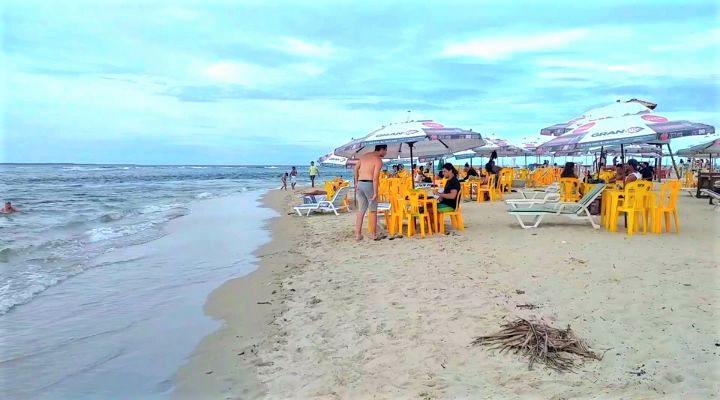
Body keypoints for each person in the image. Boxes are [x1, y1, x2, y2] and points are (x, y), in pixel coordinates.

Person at [354, 144, 388, 241]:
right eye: (385, 150)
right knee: (373, 210)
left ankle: (358, 235)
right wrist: (375, 192)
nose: (386, 153)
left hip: (360, 183)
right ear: (381, 150)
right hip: (369, 184)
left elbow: (355, 168)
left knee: (361, 210)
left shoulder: (364, 156)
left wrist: (356, 182)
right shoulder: (378, 160)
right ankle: (373, 234)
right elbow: (375, 177)